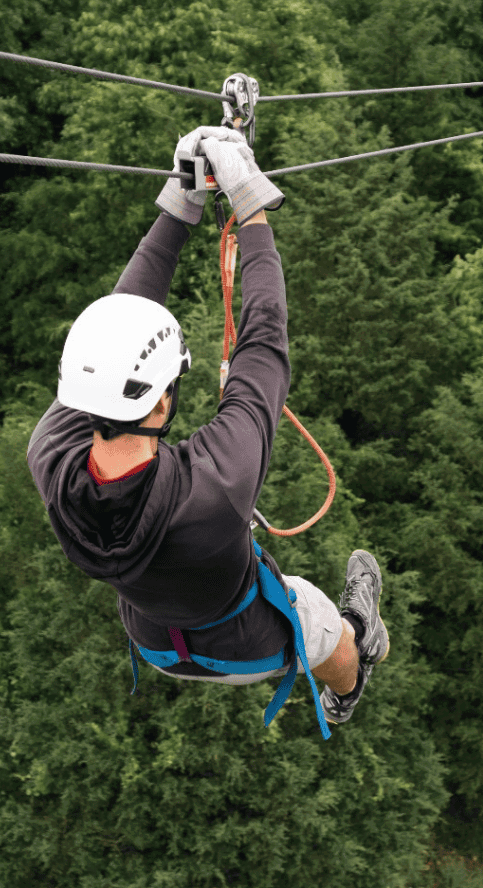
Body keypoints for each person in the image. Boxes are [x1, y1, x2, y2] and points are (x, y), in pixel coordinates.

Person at [26, 125, 389, 738]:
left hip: (154, 639)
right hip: (243, 643)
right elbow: (265, 340)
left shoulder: (50, 458)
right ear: (165, 398)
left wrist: (181, 204)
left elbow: (119, 331)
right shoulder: (214, 488)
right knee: (323, 621)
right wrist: (249, 204)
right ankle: (350, 680)